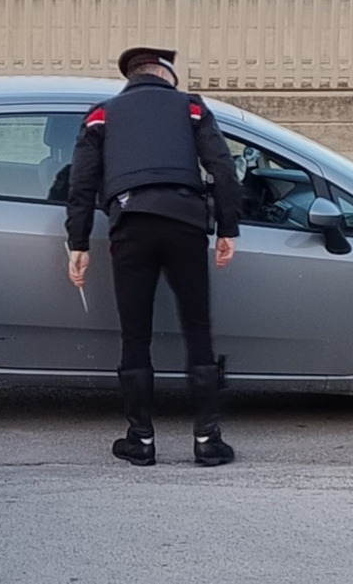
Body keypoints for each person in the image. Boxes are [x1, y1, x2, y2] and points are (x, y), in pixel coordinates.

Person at [64, 46, 242, 467]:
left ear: (132, 77)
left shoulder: (101, 115)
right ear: (166, 74)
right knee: (199, 330)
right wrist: (228, 229)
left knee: (135, 334)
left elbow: (81, 184)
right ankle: (207, 440)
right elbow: (222, 167)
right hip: (186, 224)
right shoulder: (191, 108)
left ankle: (140, 440)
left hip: (131, 226)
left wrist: (79, 243)